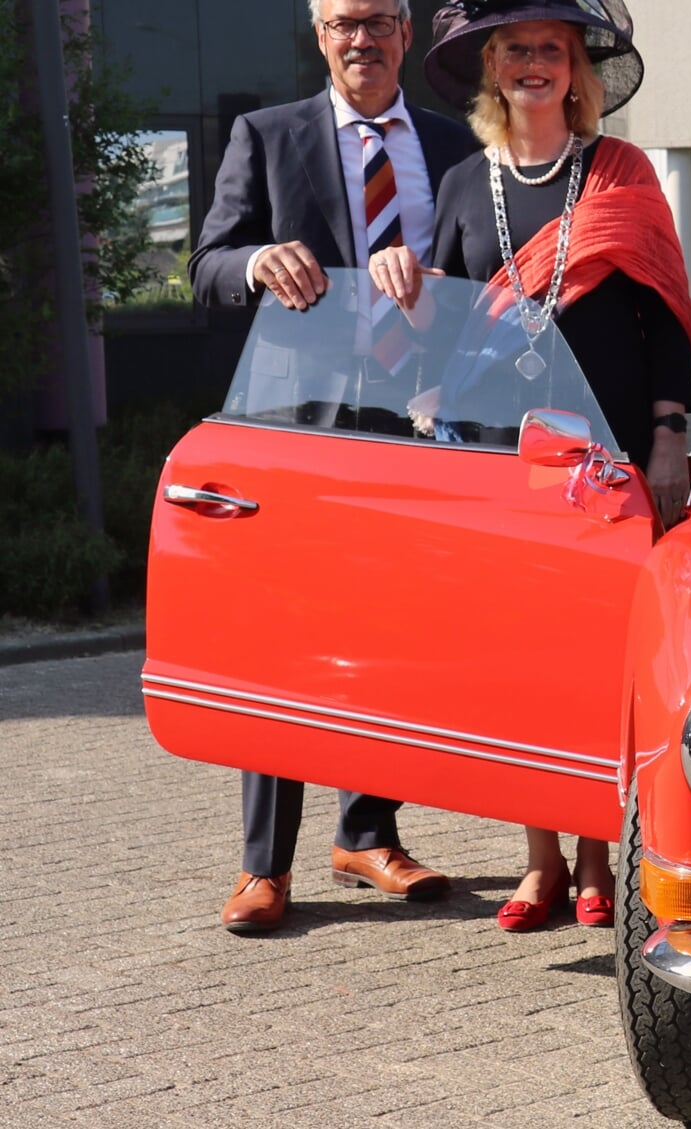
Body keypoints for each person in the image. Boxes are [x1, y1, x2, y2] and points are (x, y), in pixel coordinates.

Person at [378, 0, 691, 932]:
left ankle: (600, 854)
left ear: (577, 71)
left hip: (609, 458)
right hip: (501, 461)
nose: (533, 65)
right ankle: (541, 861)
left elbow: (669, 317)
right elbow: (443, 317)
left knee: (600, 659)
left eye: (550, 51)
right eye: (515, 50)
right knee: (522, 660)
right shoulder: (466, 183)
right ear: (491, 70)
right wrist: (403, 283)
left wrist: (670, 433)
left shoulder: (620, 171)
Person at [187, 0, 481, 934]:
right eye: (344, 22)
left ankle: (367, 833)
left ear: (406, 32)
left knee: (384, 637)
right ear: (319, 36)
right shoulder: (265, 137)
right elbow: (206, 263)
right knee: (277, 642)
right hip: (294, 432)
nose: (364, 39)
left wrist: (440, 298)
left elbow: (483, 276)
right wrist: (256, 260)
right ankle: (262, 864)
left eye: (381, 20)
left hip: (412, 430)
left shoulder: (455, 147)